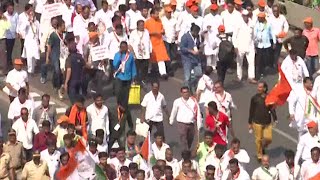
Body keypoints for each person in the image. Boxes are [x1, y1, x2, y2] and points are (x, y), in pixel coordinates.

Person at [248, 81, 277, 161]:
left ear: (264, 88)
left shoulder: (269, 97)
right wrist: (250, 122)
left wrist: (275, 119)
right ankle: (259, 155)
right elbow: (251, 110)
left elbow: (272, 109)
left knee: (268, 139)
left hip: (267, 122)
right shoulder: (254, 98)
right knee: (258, 139)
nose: (259, 88)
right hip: (257, 122)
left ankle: (262, 147)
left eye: (261, 87)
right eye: (258, 87)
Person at [113, 40, 136, 132]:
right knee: (119, 98)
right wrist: (119, 56)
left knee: (125, 102)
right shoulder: (117, 55)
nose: (123, 48)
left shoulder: (130, 56)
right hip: (119, 78)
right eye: (121, 47)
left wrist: (134, 77)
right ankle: (121, 119)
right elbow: (114, 65)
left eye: (125, 47)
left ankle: (128, 123)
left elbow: (133, 67)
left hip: (127, 79)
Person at [145, 7, 170, 79]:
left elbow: (162, 30)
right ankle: (148, 72)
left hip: (159, 43)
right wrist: (155, 33)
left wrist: (162, 32)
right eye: (156, 14)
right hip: (151, 43)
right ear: (152, 14)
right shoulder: (147, 22)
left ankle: (163, 73)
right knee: (149, 58)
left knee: (161, 58)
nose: (157, 15)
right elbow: (145, 33)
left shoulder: (159, 21)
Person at [232, 9, 256, 83]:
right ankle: (239, 77)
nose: (245, 17)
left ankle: (251, 77)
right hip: (240, 46)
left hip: (250, 45)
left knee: (251, 62)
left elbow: (253, 35)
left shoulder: (251, 23)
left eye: (247, 15)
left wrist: (253, 45)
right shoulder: (238, 23)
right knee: (239, 62)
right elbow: (234, 36)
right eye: (244, 15)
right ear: (242, 15)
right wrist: (235, 46)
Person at [46, 19, 66, 98]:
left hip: (63, 56)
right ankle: (58, 87)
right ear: (59, 27)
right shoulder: (53, 35)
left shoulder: (65, 35)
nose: (64, 27)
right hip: (55, 55)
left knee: (60, 71)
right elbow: (49, 46)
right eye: (63, 26)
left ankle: (55, 82)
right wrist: (48, 57)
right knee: (57, 70)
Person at [129, 20, 152, 85]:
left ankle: (143, 80)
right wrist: (133, 54)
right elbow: (130, 44)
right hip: (136, 54)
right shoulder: (133, 33)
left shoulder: (146, 31)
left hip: (145, 54)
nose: (142, 26)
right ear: (137, 26)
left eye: (143, 25)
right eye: (141, 25)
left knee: (145, 68)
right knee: (136, 69)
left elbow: (149, 41)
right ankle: (136, 80)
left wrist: (150, 51)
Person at [180, 23, 202, 91]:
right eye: (196, 32)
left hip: (196, 59)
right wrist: (191, 51)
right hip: (187, 59)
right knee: (187, 77)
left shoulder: (197, 37)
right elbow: (182, 48)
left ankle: (192, 85)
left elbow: (197, 45)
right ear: (193, 31)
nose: (197, 34)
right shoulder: (185, 37)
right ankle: (186, 90)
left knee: (198, 74)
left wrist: (200, 49)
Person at [254, 12, 276, 79]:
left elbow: (272, 32)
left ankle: (263, 71)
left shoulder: (268, 24)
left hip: (266, 44)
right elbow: (255, 33)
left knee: (265, 59)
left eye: (259, 17)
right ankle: (258, 73)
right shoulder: (257, 24)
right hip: (259, 45)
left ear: (263, 18)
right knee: (259, 59)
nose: (258, 18)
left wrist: (274, 42)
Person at [202, 4, 222, 71]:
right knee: (208, 54)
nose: (214, 11)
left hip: (216, 38)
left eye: (215, 10)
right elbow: (203, 28)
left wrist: (220, 34)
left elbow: (221, 27)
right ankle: (208, 67)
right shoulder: (206, 17)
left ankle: (214, 67)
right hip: (208, 38)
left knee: (215, 54)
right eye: (212, 10)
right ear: (210, 10)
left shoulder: (219, 17)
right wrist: (206, 28)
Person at [20, 10, 40, 75]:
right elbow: (22, 29)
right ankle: (30, 70)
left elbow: (39, 31)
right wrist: (28, 22)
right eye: (30, 15)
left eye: (33, 15)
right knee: (29, 57)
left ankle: (33, 68)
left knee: (35, 56)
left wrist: (40, 39)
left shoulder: (37, 22)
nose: (32, 16)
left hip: (35, 42)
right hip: (29, 42)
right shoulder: (26, 22)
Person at [161, 5, 177, 76]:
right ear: (165, 12)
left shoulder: (174, 20)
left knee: (173, 55)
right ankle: (168, 69)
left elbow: (176, 29)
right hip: (165, 39)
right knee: (167, 55)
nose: (169, 13)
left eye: (170, 12)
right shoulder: (162, 20)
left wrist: (176, 35)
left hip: (172, 39)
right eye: (168, 12)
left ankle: (168, 66)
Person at [4, 2, 18, 69]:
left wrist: (17, 31)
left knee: (11, 49)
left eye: (12, 8)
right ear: (7, 9)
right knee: (7, 49)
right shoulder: (4, 15)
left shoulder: (16, 14)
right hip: (7, 36)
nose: (11, 10)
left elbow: (17, 23)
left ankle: (9, 60)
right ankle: (8, 62)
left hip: (13, 35)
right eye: (10, 8)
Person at [0, 6, 11, 76]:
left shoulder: (4, 20)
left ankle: (4, 70)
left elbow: (8, 27)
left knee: (3, 55)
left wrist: (5, 19)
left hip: (2, 39)